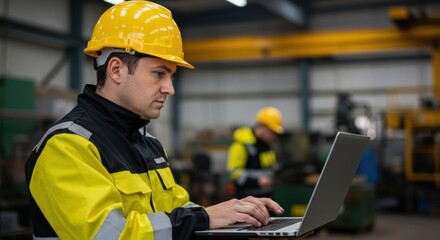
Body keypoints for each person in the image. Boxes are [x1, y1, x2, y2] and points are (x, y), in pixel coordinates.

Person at [24, 1, 289, 239]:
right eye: (159, 73)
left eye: (171, 76)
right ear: (116, 69)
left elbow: (176, 210)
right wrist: (206, 218)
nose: (170, 88)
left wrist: (233, 220)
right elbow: (111, 236)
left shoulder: (147, 143)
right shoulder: (68, 146)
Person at [227, 107, 283, 199]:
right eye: (271, 131)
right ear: (262, 126)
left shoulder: (270, 146)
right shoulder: (241, 144)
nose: (274, 135)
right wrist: (257, 181)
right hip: (246, 198)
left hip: (267, 195)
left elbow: (272, 168)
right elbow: (234, 172)